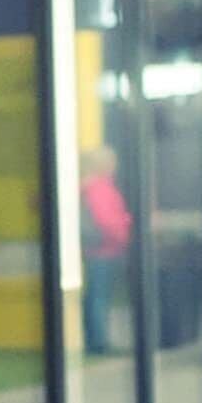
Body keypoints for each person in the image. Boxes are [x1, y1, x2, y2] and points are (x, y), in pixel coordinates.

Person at [80, 145, 132, 355]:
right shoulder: (98, 188)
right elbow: (106, 220)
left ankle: (96, 338)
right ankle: (98, 341)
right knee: (99, 296)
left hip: (99, 249)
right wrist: (124, 235)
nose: (114, 166)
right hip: (104, 249)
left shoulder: (93, 187)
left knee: (97, 295)